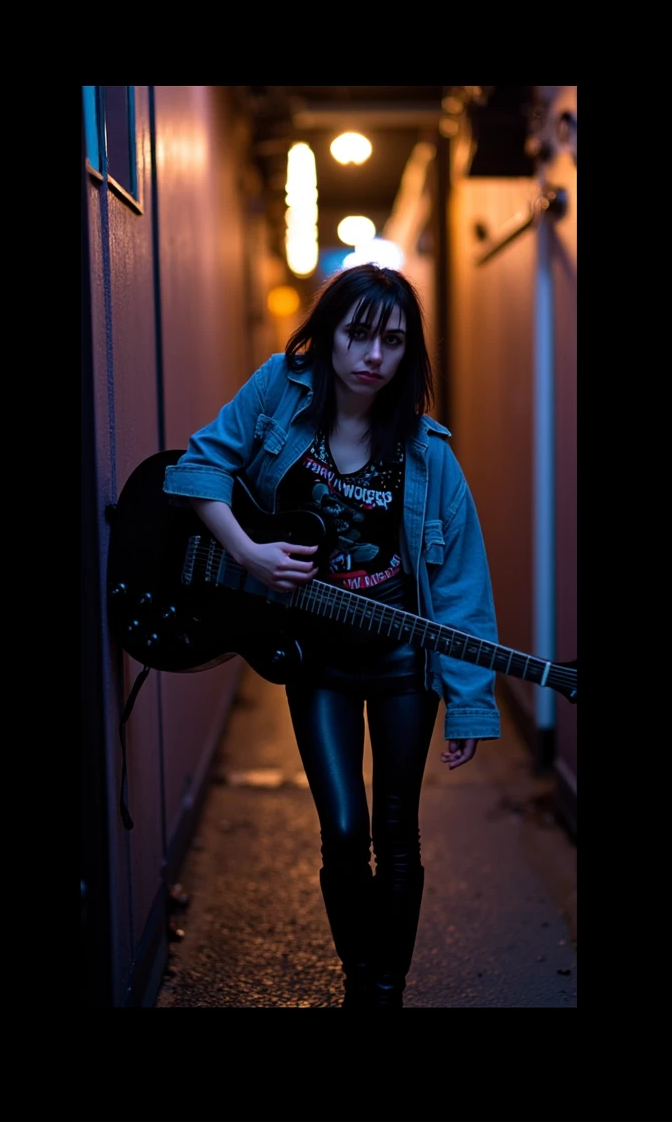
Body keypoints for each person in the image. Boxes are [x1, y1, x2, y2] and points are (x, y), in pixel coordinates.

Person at [163, 263, 501, 1008]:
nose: (374, 355)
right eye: (358, 334)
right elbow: (198, 469)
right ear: (327, 336)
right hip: (313, 655)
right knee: (344, 829)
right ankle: (359, 969)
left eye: (393, 341)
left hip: (401, 661)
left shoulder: (428, 453)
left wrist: (470, 701)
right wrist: (249, 553)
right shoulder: (277, 394)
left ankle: (380, 990)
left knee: (397, 830)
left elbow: (462, 589)